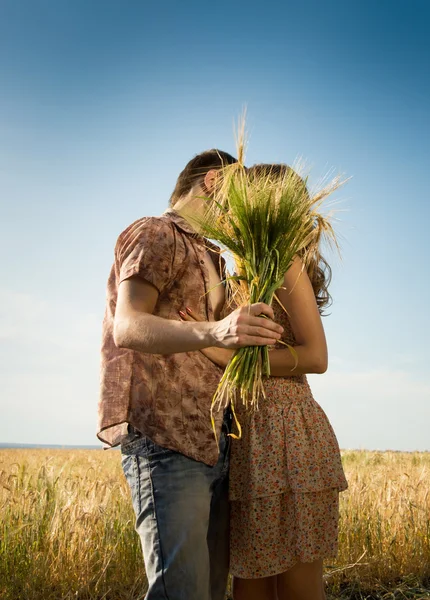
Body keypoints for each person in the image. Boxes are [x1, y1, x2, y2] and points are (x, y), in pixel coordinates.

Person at [97, 151, 285, 600]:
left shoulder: (216, 260)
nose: (244, 209)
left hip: (214, 444)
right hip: (165, 441)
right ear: (215, 182)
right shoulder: (156, 231)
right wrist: (217, 328)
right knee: (180, 592)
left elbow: (215, 348)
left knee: (207, 592)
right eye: (240, 194)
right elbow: (127, 325)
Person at [180, 163, 348, 600]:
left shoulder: (285, 264)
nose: (229, 204)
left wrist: (209, 344)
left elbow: (317, 356)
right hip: (250, 436)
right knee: (250, 582)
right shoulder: (242, 269)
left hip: (287, 434)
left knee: (295, 585)